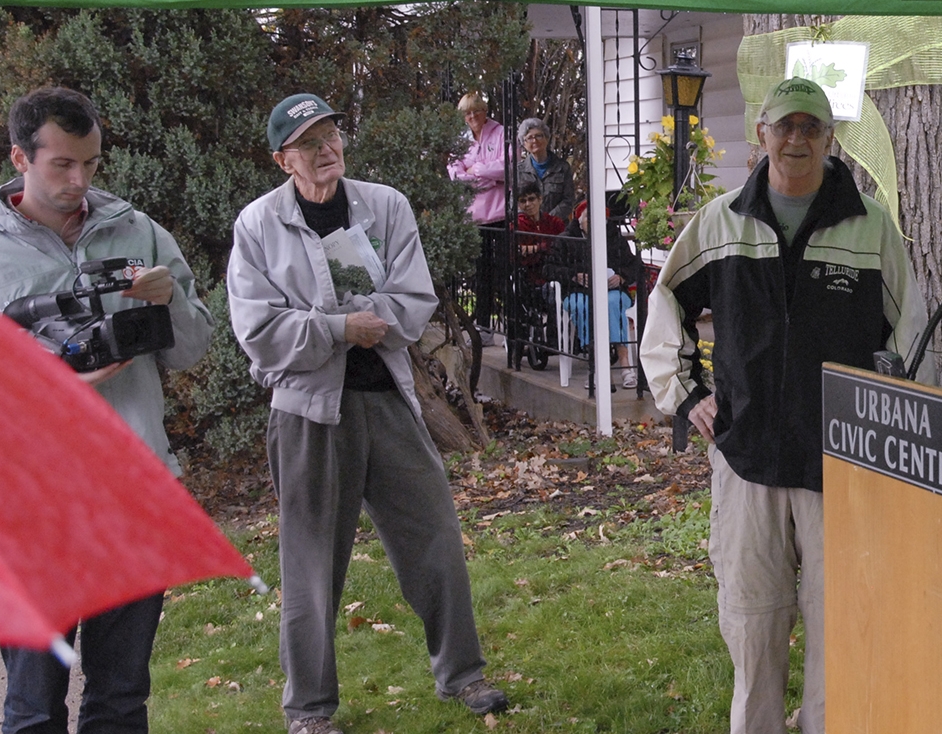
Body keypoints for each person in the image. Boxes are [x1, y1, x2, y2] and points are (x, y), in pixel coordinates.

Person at [640, 77, 928, 734]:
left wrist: (890, 427)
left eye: (812, 127)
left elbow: (909, 337)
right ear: (762, 134)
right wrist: (688, 398)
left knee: (840, 620)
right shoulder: (720, 222)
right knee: (751, 618)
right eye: (785, 125)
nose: (797, 138)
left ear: (830, 140)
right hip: (746, 456)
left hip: (842, 462)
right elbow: (666, 307)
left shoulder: (870, 229)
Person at [0, 86, 214, 733]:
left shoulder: (139, 232)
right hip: (29, 507)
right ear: (20, 158)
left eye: (90, 163)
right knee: (33, 707)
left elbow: (192, 349)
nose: (79, 180)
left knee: (120, 701)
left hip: (132, 493)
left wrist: (167, 300)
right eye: (62, 165)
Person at [227, 93, 507, 734]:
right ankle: (310, 708)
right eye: (308, 143)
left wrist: (360, 325)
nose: (325, 150)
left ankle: (463, 674)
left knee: (435, 537)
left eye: (331, 135)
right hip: (307, 414)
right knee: (310, 563)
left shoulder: (386, 205)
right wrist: (336, 327)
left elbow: (413, 299)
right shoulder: (258, 226)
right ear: (282, 160)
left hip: (387, 399)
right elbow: (259, 331)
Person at [543, 205, 642, 389]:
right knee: (586, 306)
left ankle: (625, 365)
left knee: (613, 303)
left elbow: (635, 265)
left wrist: (621, 276)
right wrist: (575, 275)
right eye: (589, 217)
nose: (595, 221)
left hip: (612, 291)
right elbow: (549, 269)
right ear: (579, 219)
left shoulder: (614, 239)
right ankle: (597, 365)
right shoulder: (565, 240)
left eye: (600, 217)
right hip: (577, 291)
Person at [446, 92, 506, 340]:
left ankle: (510, 325)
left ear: (485, 111)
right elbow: (455, 173)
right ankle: (483, 326)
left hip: (499, 214)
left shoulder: (501, 132)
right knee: (480, 274)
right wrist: (485, 180)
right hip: (473, 217)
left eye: (476, 111)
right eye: (467, 113)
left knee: (502, 271)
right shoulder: (460, 139)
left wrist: (478, 169)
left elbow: (506, 167)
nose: (472, 117)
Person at [514, 117, 574, 223]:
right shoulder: (518, 171)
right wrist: (530, 220)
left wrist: (547, 221)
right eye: (529, 138)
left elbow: (568, 200)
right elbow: (513, 202)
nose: (535, 140)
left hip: (557, 228)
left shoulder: (563, 167)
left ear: (547, 138)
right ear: (524, 143)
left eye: (539, 136)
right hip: (528, 229)